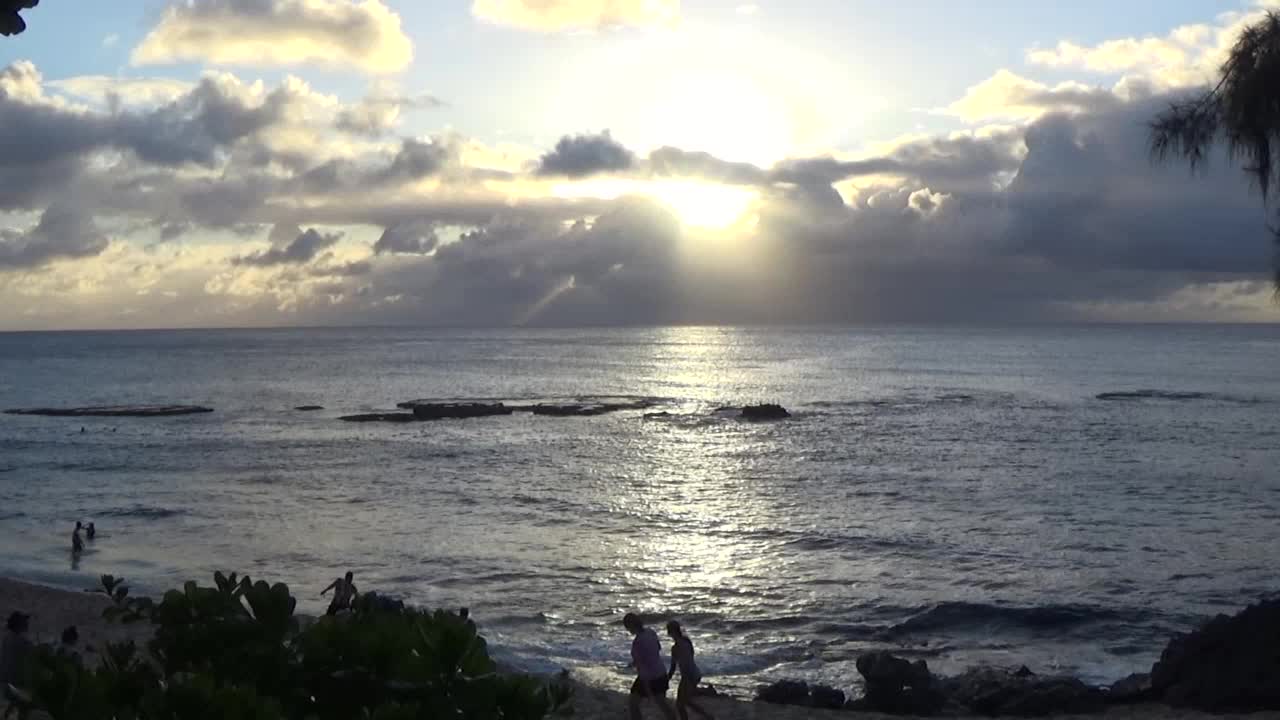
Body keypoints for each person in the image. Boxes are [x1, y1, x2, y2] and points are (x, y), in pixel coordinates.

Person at [623, 613, 676, 720]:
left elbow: (642, 668)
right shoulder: (651, 632)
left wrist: (647, 689)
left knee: (633, 704)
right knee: (663, 705)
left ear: (631, 626)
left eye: (627, 627)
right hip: (661, 672)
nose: (628, 630)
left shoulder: (637, 643)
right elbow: (656, 650)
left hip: (649, 677)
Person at [667, 621, 714, 720]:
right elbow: (689, 659)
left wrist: (666, 680)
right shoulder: (687, 641)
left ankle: (707, 716)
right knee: (685, 702)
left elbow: (673, 667)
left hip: (688, 676)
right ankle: (707, 716)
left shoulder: (676, 648)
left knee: (680, 704)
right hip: (694, 673)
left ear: (671, 632)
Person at [0, 611, 32, 687]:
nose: (27, 623)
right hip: (15, 683)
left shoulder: (6, 638)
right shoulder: (22, 641)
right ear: (19, 625)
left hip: (4, 680)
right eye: (24, 621)